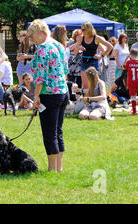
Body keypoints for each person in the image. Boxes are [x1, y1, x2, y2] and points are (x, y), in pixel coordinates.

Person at [28, 19, 69, 172]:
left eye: (31, 35)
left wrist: (36, 97)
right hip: (62, 92)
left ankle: (52, 169)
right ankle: (59, 168)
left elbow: (40, 78)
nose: (31, 39)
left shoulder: (42, 49)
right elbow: (65, 69)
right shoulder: (58, 45)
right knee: (58, 130)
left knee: (49, 133)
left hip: (49, 95)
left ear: (39, 33)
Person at [76, 22, 113, 89]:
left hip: (93, 63)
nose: (82, 31)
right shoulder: (81, 38)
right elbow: (75, 52)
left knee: (93, 85)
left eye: (83, 30)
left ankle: (94, 98)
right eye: (81, 29)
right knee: (85, 86)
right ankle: (87, 99)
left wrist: (101, 56)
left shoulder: (96, 38)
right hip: (84, 62)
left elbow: (110, 46)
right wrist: (79, 47)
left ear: (89, 29)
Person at [123, 48, 138, 114]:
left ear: (130, 55)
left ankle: (134, 111)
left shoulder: (129, 62)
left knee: (133, 96)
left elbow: (124, 67)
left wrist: (126, 58)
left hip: (131, 81)